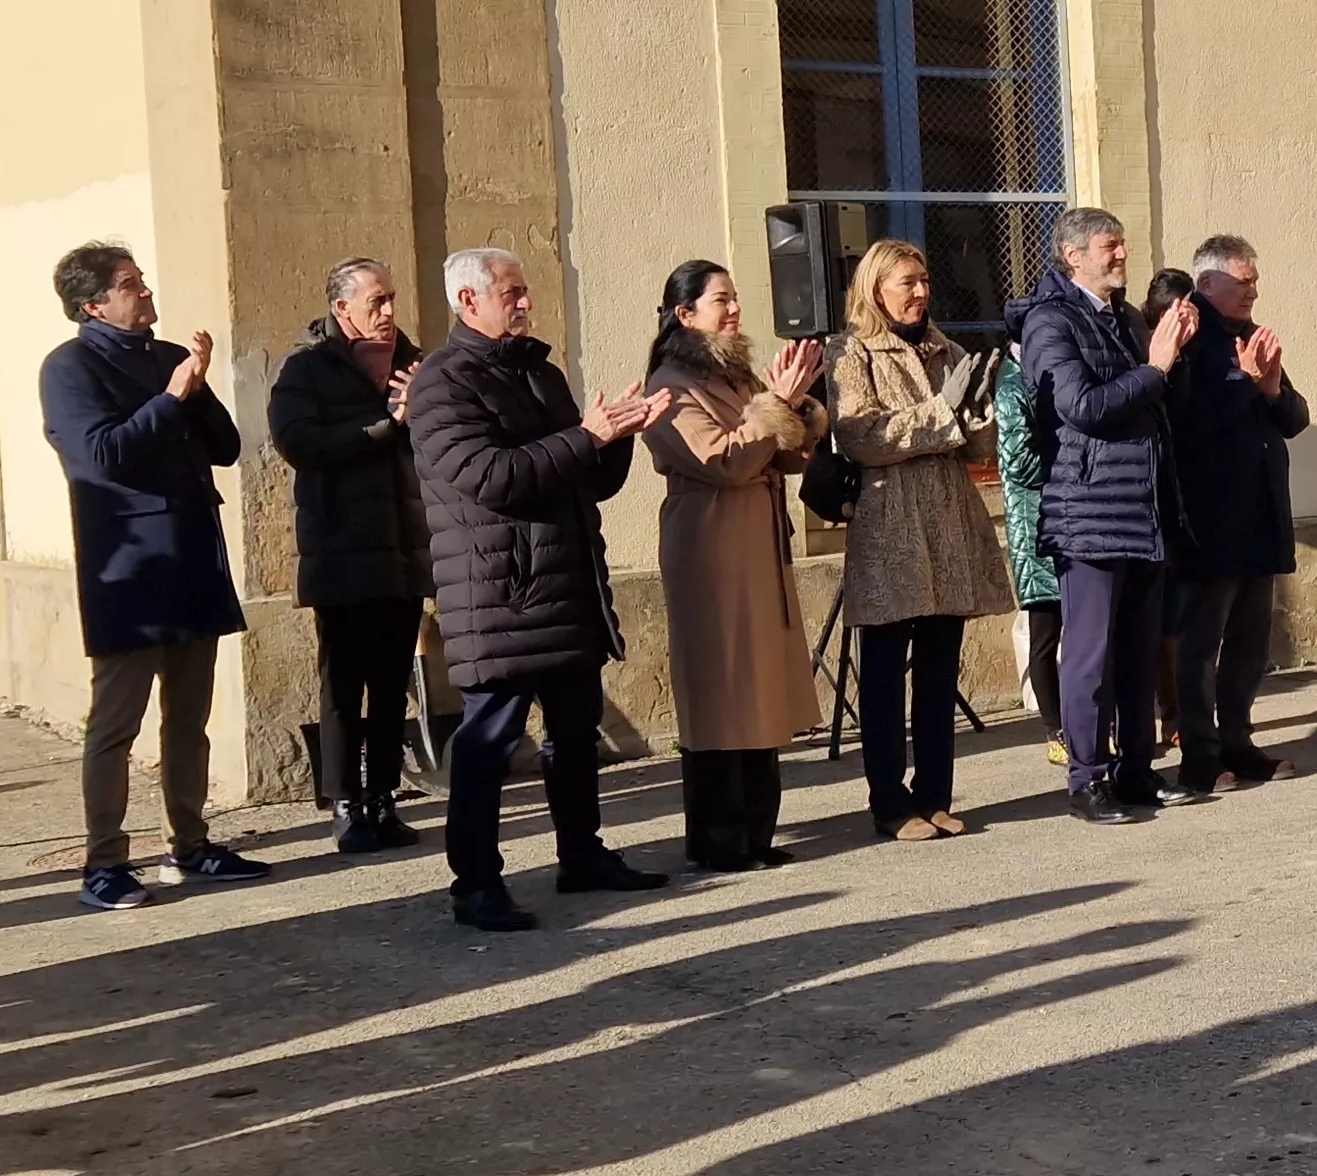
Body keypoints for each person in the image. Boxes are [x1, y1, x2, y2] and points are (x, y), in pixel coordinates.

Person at [410, 246, 670, 931]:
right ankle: (475, 884)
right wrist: (587, 435)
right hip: (498, 591)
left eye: (526, 291)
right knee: (488, 740)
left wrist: (617, 437)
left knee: (576, 731)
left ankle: (581, 856)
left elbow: (586, 480)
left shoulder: (540, 373)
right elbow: (492, 478)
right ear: (468, 302)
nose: (525, 303)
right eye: (511, 292)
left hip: (564, 583)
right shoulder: (442, 383)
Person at [39, 242, 270, 911]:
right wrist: (173, 398)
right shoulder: (70, 368)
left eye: (141, 280)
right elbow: (102, 455)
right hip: (131, 570)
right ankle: (104, 862)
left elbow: (225, 448)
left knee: (189, 718)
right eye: (128, 284)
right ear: (93, 304)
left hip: (193, 557)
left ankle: (191, 843)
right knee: (116, 724)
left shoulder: (170, 357)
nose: (144, 292)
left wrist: (195, 386)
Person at [1012, 206, 1208, 825]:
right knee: (1090, 655)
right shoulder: (1051, 323)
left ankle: (1136, 771)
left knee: (1137, 652)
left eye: (1123, 245)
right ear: (1073, 256)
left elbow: (1160, 406)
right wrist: (1155, 365)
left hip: (1141, 509)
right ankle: (1086, 778)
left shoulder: (1124, 317)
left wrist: (1176, 357)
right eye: (1110, 246)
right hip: (1089, 510)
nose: (1122, 255)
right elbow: (1081, 408)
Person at [642, 260, 828, 868]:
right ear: (684, 314)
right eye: (721, 299)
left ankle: (756, 832)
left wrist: (798, 409)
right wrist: (776, 405)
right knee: (721, 689)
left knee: (757, 686)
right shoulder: (669, 385)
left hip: (756, 540)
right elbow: (721, 460)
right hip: (711, 545)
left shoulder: (736, 377)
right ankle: (719, 840)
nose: (734, 309)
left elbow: (787, 455)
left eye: (735, 297)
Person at [828, 239, 1014, 841]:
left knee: (938, 671)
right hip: (889, 527)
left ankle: (935, 795)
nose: (919, 292)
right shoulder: (850, 352)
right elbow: (861, 436)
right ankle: (888, 802)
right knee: (882, 675)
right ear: (876, 290)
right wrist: (941, 416)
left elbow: (978, 448)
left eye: (925, 280)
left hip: (948, 522)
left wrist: (982, 410)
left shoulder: (946, 349)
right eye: (906, 282)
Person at [268, 257, 433, 853]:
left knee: (393, 684)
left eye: (391, 299)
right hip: (340, 552)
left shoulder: (417, 366)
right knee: (343, 682)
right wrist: (387, 426)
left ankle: (384, 799)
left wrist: (424, 412)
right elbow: (299, 443)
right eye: (375, 303)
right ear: (342, 310)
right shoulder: (307, 370)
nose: (388, 312)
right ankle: (344, 804)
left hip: (404, 549)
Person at [1165, 235, 1306, 793]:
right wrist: (1243, 384)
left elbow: (1294, 418)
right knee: (1202, 640)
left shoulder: (1253, 337)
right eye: (1242, 281)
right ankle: (1198, 752)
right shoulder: (1188, 336)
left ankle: (1238, 739)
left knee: (1251, 638)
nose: (1253, 291)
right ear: (1207, 283)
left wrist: (1270, 388)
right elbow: (1183, 422)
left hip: (1261, 510)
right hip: (1211, 515)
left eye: (1255, 280)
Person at [993, 312, 1066, 768]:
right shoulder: (1011, 385)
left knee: (1080, 630)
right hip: (1034, 525)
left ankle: (1090, 722)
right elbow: (1020, 464)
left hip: (1061, 517)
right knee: (1045, 632)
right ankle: (1054, 729)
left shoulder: (1041, 376)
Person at [1138, 268, 1195, 755]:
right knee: (1159, 623)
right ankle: (1164, 715)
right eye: (1177, 314)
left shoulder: (1202, 349)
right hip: (1150, 498)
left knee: (1184, 618)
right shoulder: (1144, 349)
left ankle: (1188, 714)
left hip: (1190, 498)